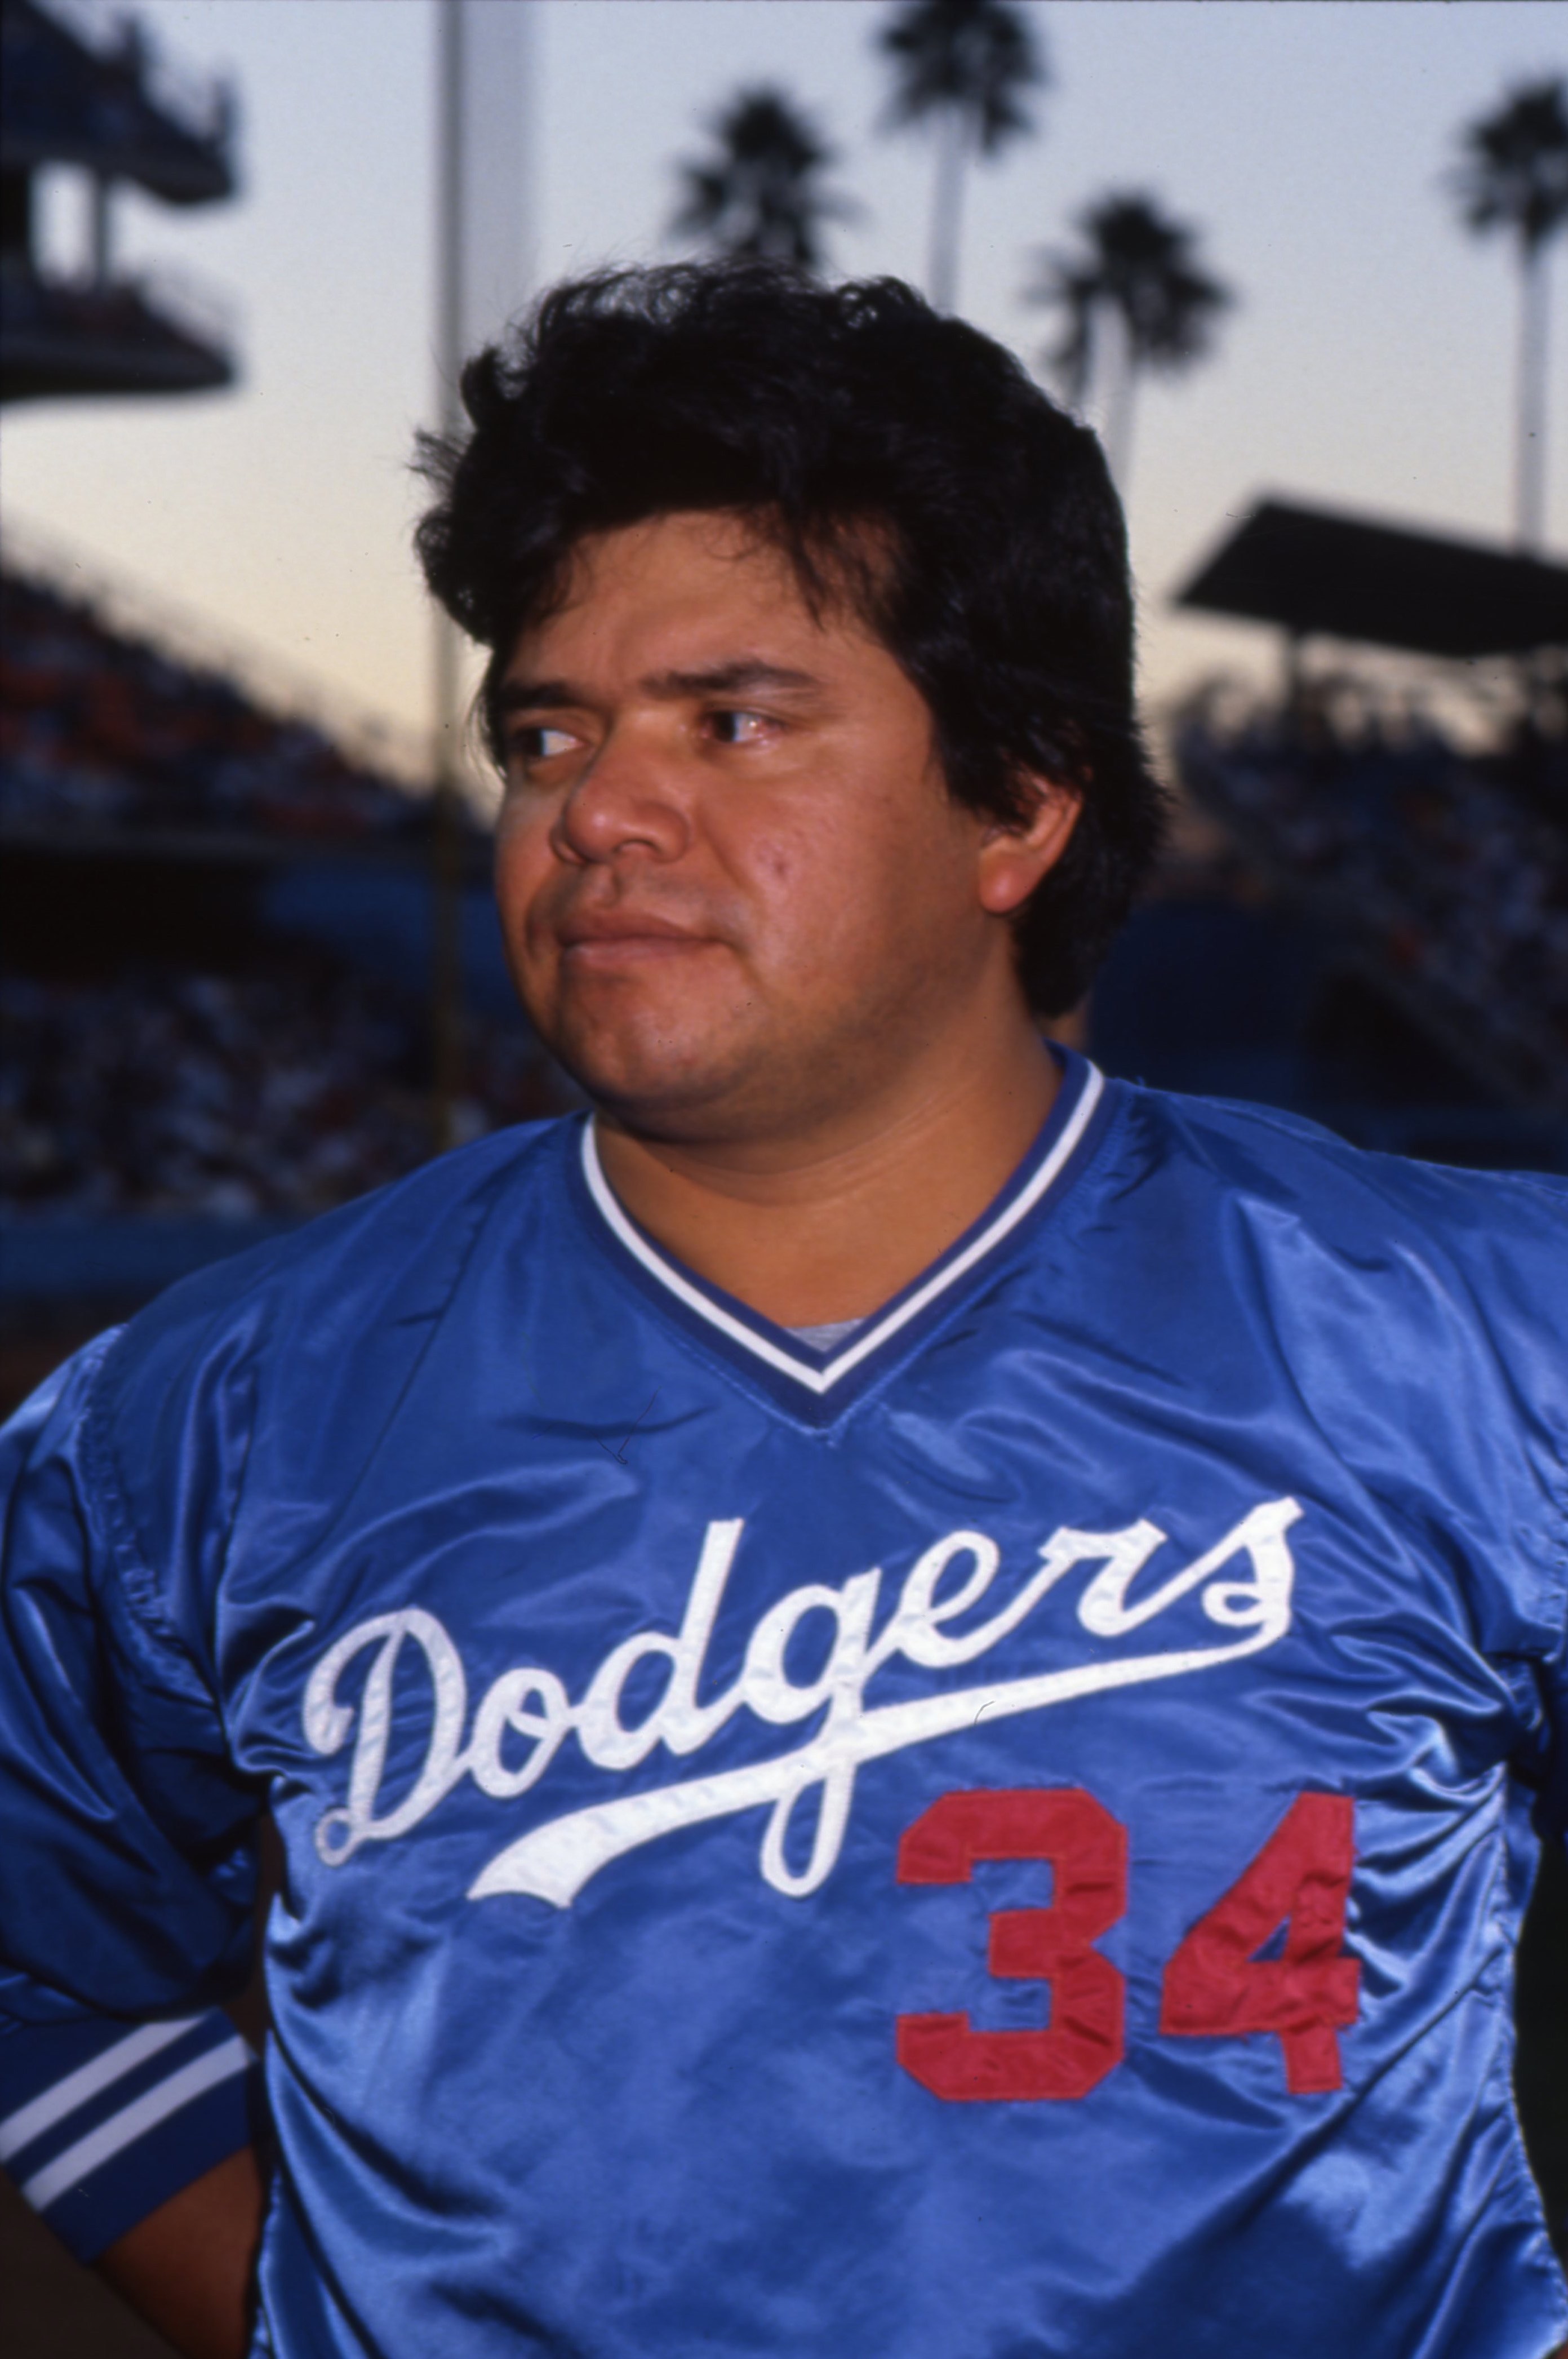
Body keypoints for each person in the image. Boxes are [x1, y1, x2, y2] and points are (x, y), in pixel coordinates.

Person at [1, 262, 1565, 2359]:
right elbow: (37, 1939)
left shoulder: (1481, 1335)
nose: (598, 810)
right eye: (548, 732)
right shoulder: (205, 1414)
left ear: (1019, 801)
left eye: (732, 721)